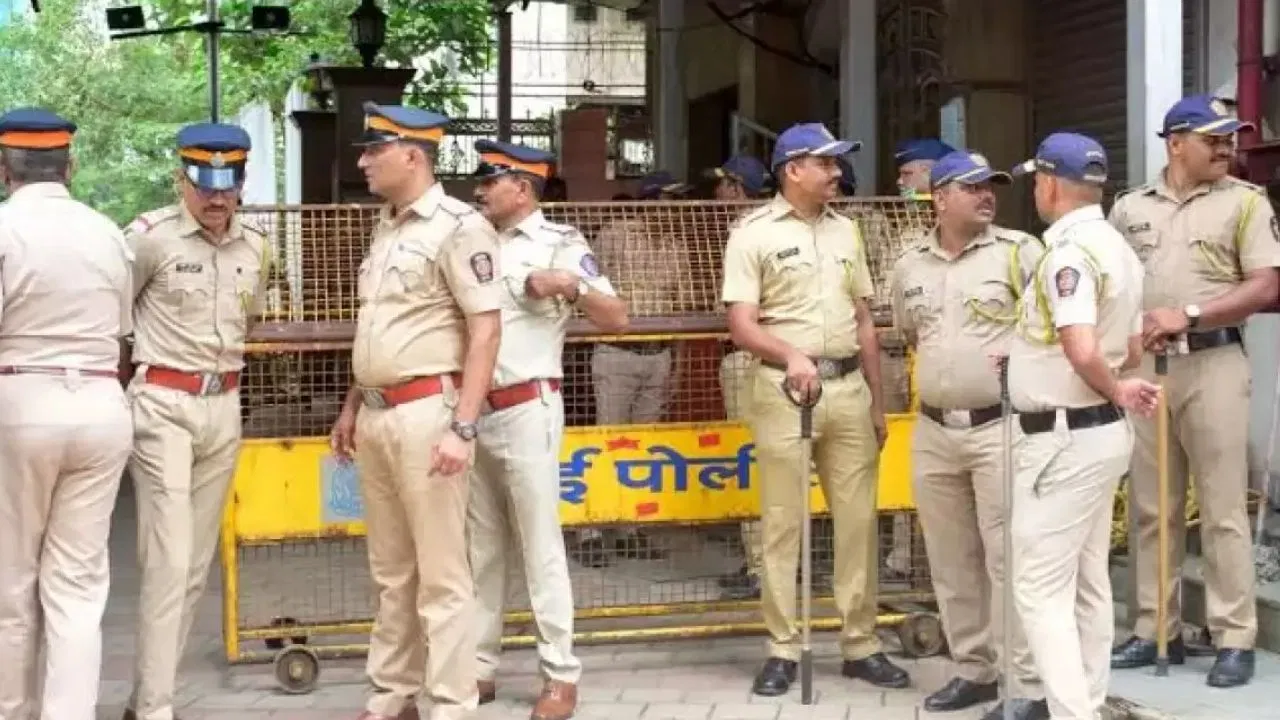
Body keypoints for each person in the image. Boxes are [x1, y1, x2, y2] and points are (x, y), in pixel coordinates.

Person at [328, 103, 502, 720]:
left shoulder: (460, 226)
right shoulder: (388, 227)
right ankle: (393, 696)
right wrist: (352, 405)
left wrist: (463, 426)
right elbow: (380, 328)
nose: (362, 162)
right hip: (377, 414)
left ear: (413, 155)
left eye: (374, 150)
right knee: (391, 571)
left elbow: (486, 330)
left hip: (430, 413)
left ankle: (451, 704)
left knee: (442, 574)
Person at [722, 122, 910, 695]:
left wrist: (877, 404)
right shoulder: (752, 233)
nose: (836, 173)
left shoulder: (847, 231)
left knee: (858, 524)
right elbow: (741, 325)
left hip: (849, 389)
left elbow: (863, 321)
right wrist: (791, 355)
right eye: (825, 163)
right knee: (782, 523)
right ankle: (783, 647)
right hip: (784, 390)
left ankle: (860, 644)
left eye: (835, 163)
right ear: (792, 170)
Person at [1109, 94, 1280, 688]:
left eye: (1230, 137)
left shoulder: (1245, 202)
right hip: (1147, 368)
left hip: (1214, 363)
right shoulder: (1129, 207)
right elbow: (1111, 284)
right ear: (1176, 143)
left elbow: (1265, 285)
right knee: (1151, 507)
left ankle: (1234, 636)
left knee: (1223, 507)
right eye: (1214, 138)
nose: (1227, 146)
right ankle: (1156, 629)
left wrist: (1188, 313)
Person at [468, 139, 628, 720]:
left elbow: (616, 315)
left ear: (523, 187)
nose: (480, 190)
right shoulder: (470, 238)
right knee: (480, 548)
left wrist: (567, 284)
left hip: (526, 408)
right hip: (471, 411)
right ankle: (478, 668)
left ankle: (560, 674)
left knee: (540, 546)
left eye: (491, 180)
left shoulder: (561, 242)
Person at [1006, 132, 1159, 720]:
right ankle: (1089, 701)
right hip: (1100, 434)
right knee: (1089, 580)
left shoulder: (1068, 254)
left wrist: (1111, 385)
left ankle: (1072, 713)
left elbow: (1079, 345)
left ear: (1049, 184)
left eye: (1036, 182)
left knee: (1040, 587)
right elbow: (1132, 347)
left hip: (1062, 437)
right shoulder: (1119, 248)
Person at [121, 122, 270, 720]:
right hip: (162, 403)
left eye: (227, 184)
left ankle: (146, 697)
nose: (216, 197)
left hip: (223, 406)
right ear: (181, 180)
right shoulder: (149, 239)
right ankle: (156, 708)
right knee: (169, 560)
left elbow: (249, 321)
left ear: (242, 183)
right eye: (204, 184)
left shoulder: (256, 247)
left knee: (192, 568)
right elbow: (115, 318)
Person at [890, 150, 1047, 719]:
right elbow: (911, 334)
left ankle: (1024, 684)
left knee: (1009, 558)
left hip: (1000, 426)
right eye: (973, 187)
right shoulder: (909, 265)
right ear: (939, 198)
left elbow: (1050, 330)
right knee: (951, 558)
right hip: (934, 429)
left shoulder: (1021, 253)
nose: (987, 196)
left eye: (991, 187)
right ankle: (973, 671)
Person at [0, 107, 133, 720]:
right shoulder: (107, 233)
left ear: (5, 169)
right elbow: (122, 329)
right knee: (78, 587)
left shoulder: (5, 229)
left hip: (21, 402)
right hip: (101, 406)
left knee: (12, 581)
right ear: (69, 166)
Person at [574, 169, 692, 566]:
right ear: (650, 201)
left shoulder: (678, 247)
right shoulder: (615, 236)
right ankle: (590, 528)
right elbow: (586, 287)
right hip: (617, 351)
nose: (676, 208)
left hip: (658, 355)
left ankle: (629, 527)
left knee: (643, 445)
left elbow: (679, 306)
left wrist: (676, 363)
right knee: (608, 440)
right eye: (670, 200)